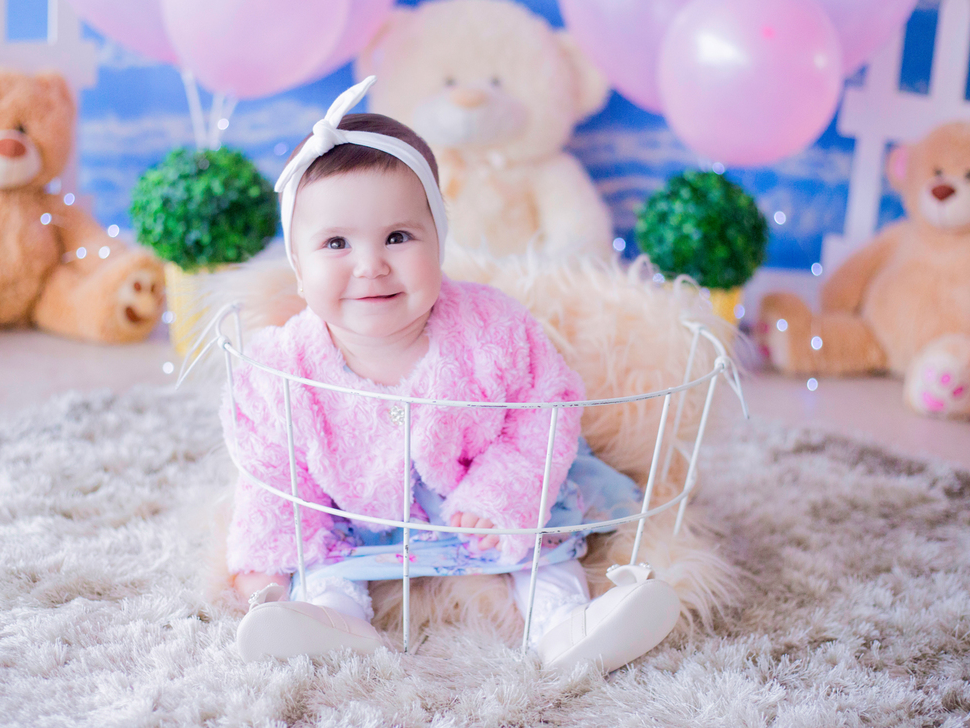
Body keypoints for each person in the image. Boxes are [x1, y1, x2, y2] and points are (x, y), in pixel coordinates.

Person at [223, 77, 680, 673]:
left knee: (541, 547)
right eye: (335, 243)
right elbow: (270, 468)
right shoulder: (282, 367)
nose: (370, 265)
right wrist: (269, 555)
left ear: (438, 240)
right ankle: (331, 621)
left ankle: (567, 623)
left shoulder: (494, 328)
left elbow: (545, 410)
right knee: (323, 563)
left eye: (398, 237)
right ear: (297, 264)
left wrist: (501, 495)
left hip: (483, 497)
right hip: (356, 512)